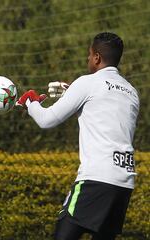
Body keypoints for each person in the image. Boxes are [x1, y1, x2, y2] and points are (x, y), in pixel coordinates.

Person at [16, 32, 139, 240]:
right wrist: (73, 93)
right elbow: (104, 107)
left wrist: (31, 102)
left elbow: (46, 120)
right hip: (124, 182)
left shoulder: (87, 83)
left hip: (95, 179)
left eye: (89, 55)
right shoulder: (131, 91)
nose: (87, 59)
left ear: (97, 58)